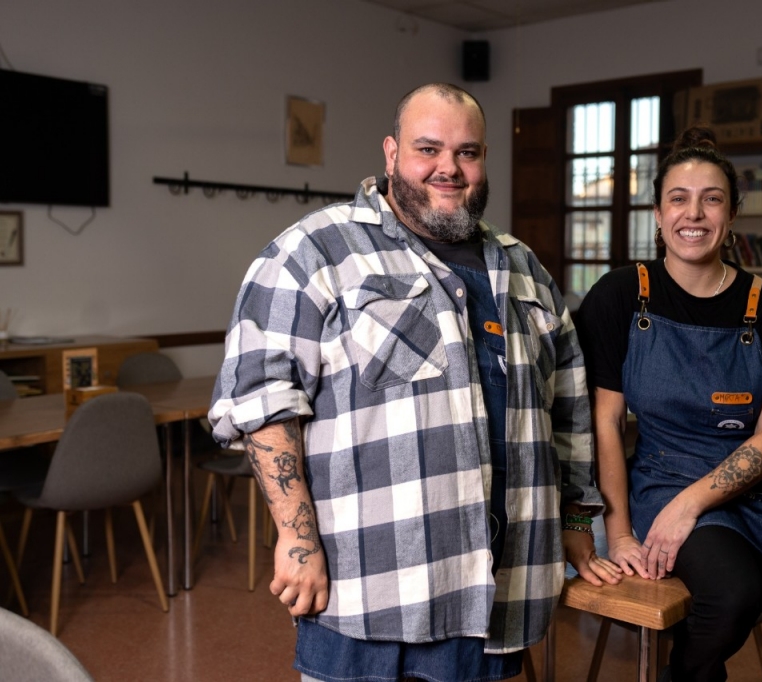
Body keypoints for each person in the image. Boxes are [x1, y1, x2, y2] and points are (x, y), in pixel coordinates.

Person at [208, 83, 621, 682]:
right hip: (370, 595)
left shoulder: (525, 269)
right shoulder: (312, 253)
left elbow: (570, 412)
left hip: (498, 599)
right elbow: (261, 403)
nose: (448, 168)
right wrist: (296, 540)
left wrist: (580, 526)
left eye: (468, 152)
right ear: (391, 153)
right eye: (428, 148)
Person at [574, 126, 762, 682]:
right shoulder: (620, 295)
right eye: (678, 199)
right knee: (730, 597)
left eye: (712, 200)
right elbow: (605, 422)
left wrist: (689, 507)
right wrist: (620, 533)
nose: (695, 214)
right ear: (658, 215)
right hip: (666, 475)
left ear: (732, 217)